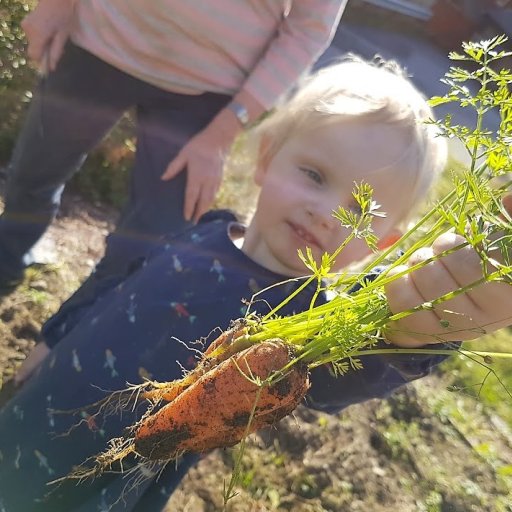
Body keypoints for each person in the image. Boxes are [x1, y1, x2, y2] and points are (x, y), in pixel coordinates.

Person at [0, 56, 511, 512]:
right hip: (40, 400)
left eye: (361, 209)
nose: (328, 211)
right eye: (314, 174)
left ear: (384, 242)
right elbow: (117, 280)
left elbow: (349, 373)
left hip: (106, 478)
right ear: (266, 159)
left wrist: (416, 329)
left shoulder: (306, 317)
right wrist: (52, 335)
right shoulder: (205, 226)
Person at [0, 0, 346, 292]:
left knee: (149, 238)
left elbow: (308, 29)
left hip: (206, 95)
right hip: (97, 40)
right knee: (33, 174)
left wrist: (221, 134)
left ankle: (71, 337)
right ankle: (8, 258)